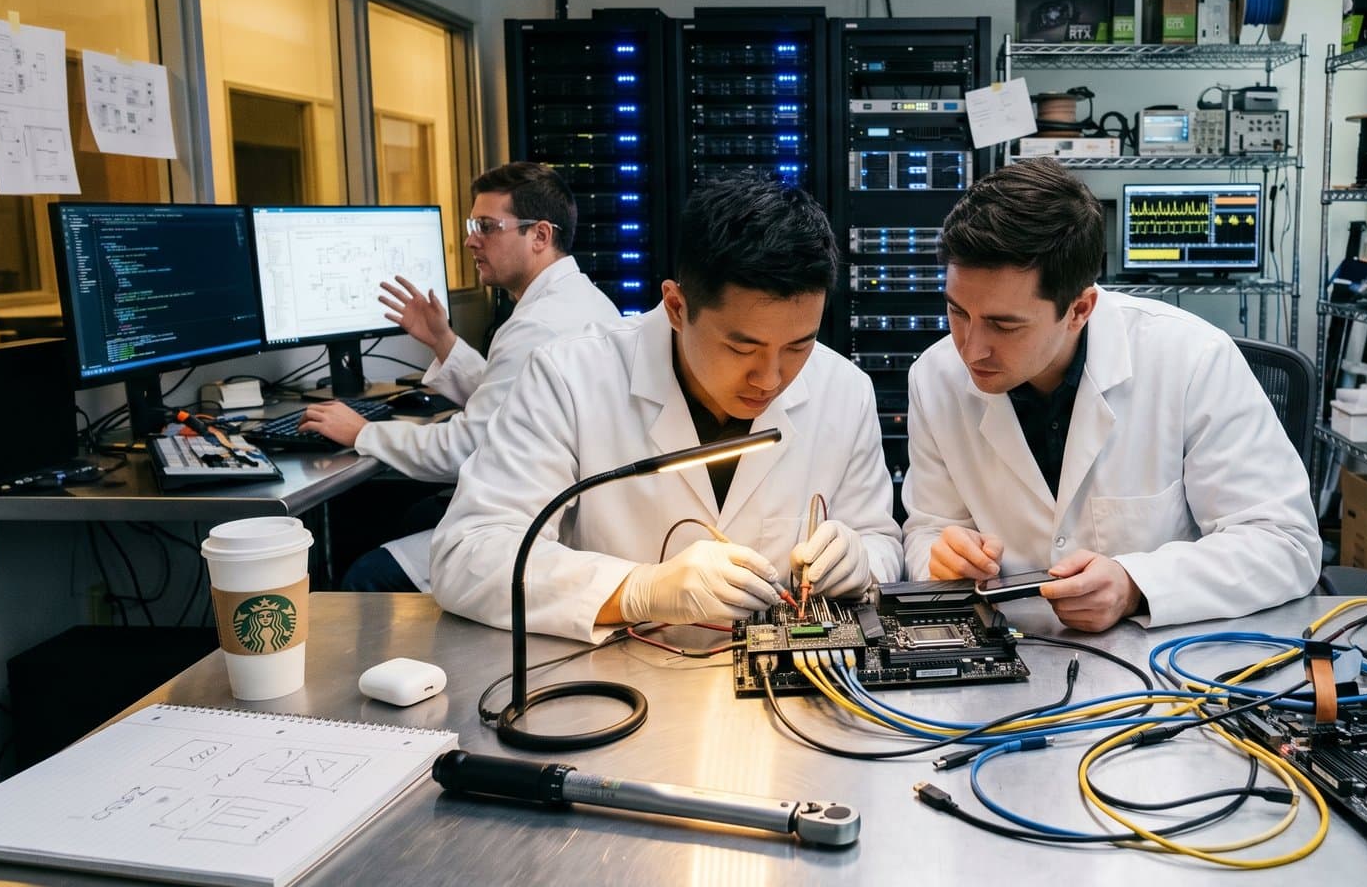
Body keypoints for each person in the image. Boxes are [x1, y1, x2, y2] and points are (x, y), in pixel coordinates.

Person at [430, 177, 902, 641]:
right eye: (742, 349)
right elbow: (468, 553)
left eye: (799, 346)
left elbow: (881, 542)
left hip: (787, 686)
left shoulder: (844, 390)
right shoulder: (570, 377)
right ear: (677, 307)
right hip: (620, 683)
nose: (771, 379)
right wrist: (637, 590)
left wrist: (861, 560)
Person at [902, 158, 1321, 632]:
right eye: (957, 312)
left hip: (1160, 663)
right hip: (1011, 656)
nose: (971, 347)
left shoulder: (1191, 359)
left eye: (1004, 324)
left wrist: (1136, 584)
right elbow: (927, 529)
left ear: (1079, 308)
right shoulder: (935, 377)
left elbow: (1285, 543)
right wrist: (943, 558)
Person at [301, 162, 620, 592]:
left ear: (540, 236)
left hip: (540, 531)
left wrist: (363, 432)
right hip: (566, 508)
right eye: (473, 225)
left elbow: (465, 450)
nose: (471, 240)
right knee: (414, 517)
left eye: (487, 226)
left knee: (366, 577)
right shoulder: (576, 301)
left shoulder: (538, 325)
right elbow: (519, 405)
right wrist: (443, 342)